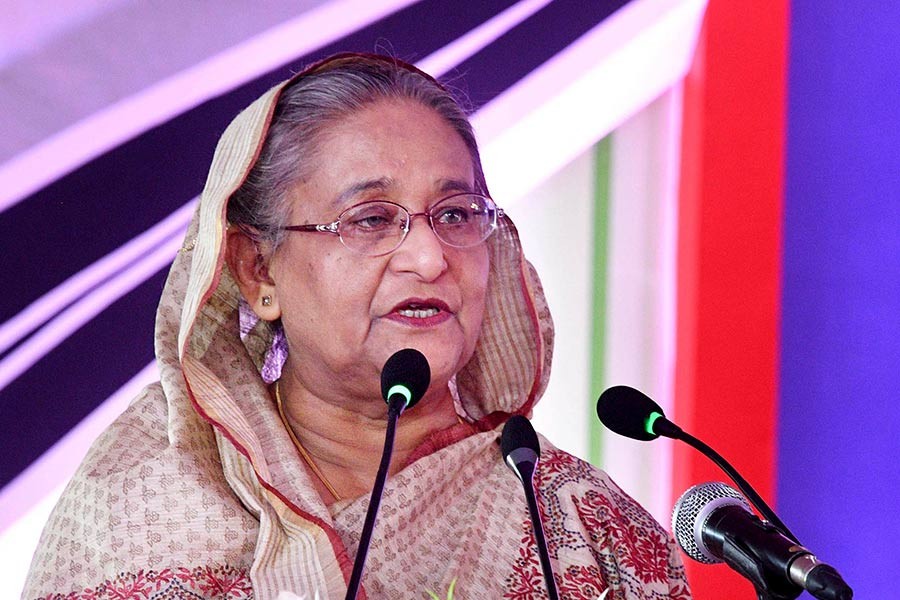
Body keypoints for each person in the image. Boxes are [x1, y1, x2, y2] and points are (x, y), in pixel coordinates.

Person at [22, 53, 691, 599]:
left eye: (455, 215)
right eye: (371, 220)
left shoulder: (575, 524)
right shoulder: (141, 511)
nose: (430, 258)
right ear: (259, 272)